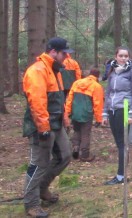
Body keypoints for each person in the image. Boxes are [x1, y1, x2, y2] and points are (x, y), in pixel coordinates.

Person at [22, 37, 74, 217]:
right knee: (39, 164)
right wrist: (43, 128)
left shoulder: (55, 70)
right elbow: (37, 102)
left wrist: (65, 120)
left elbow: (59, 99)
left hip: (56, 123)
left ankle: (42, 189)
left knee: (65, 155)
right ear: (53, 52)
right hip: (41, 126)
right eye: (64, 53)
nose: (66, 56)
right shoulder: (37, 71)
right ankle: (31, 203)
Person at [102, 46, 132, 185]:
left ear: (129, 57)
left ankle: (121, 176)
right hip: (112, 109)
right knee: (119, 143)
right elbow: (108, 93)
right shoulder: (112, 71)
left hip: (124, 109)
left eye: (126, 56)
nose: (123, 58)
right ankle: (121, 174)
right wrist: (104, 112)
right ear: (116, 57)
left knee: (123, 144)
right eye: (121, 55)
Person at [66, 68, 104, 162]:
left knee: (76, 131)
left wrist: (67, 112)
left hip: (75, 112)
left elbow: (69, 99)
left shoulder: (77, 83)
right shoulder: (97, 86)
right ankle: (85, 155)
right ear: (97, 76)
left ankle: (75, 148)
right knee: (85, 134)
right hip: (86, 113)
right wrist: (99, 119)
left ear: (89, 74)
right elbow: (98, 104)